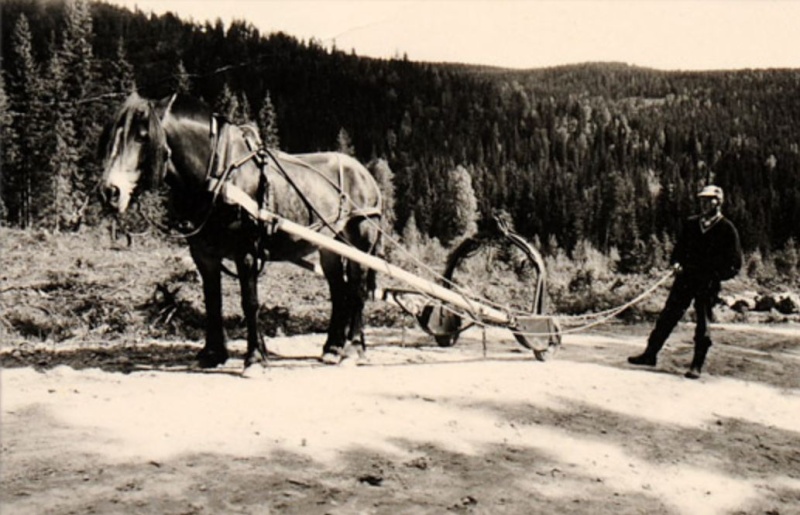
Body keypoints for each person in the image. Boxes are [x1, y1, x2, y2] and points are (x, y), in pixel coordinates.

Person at [628, 185, 742, 379]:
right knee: (667, 317)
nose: (705, 203)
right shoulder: (691, 224)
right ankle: (650, 354)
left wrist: (715, 276)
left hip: (707, 284)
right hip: (685, 280)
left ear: (719, 202)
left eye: (709, 200)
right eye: (702, 200)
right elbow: (678, 251)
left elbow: (735, 264)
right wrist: (676, 263)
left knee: (702, 324)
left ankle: (696, 365)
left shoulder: (727, 229)